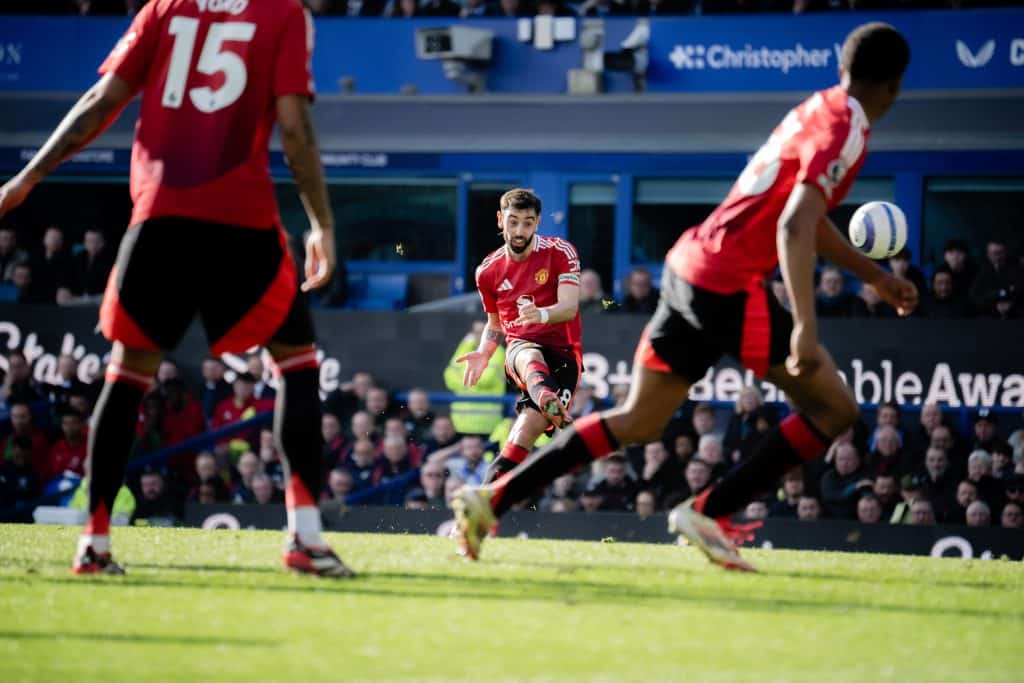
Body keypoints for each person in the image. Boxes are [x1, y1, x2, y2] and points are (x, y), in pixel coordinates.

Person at [451, 23, 916, 569]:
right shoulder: (849, 128)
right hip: (728, 283)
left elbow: (804, 219)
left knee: (640, 420)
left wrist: (874, 276)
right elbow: (795, 226)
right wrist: (805, 330)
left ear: (843, 68)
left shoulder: (818, 107)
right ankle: (709, 512)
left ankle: (489, 500)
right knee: (834, 408)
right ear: (894, 86)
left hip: (690, 265)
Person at [0, 0, 352, 577]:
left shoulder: (164, 8)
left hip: (159, 217)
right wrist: (322, 223)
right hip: (241, 222)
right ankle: (305, 538)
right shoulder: (284, 14)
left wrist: (27, 177)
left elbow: (101, 102)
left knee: (126, 375)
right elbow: (293, 127)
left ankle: (93, 543)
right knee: (296, 364)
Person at [456, 188, 582, 491]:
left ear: (537, 222)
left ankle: (482, 506)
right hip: (521, 349)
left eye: (527, 222)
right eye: (513, 222)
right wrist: (485, 351)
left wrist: (539, 314)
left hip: (564, 354)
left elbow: (569, 307)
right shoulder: (487, 271)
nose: (519, 230)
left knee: (521, 437)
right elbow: (495, 324)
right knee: (527, 353)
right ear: (501, 220)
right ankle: (543, 396)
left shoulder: (560, 252)